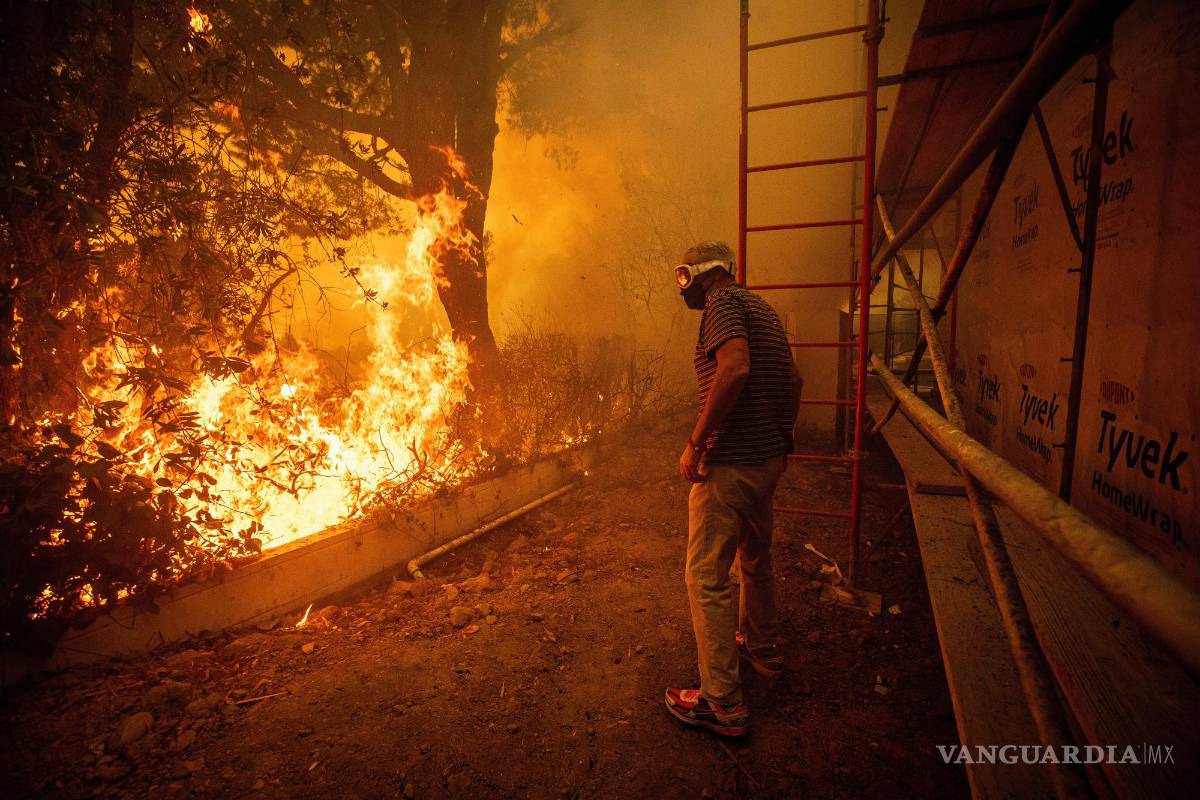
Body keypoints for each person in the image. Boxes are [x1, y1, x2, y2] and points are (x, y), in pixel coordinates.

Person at [663, 241, 803, 738]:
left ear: (698, 275)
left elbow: (735, 367)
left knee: (706, 576)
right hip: (766, 461)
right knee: (755, 558)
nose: (683, 287)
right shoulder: (760, 306)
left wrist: (696, 443)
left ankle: (721, 702)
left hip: (731, 465)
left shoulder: (722, 303)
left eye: (683, 277)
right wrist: (781, 437)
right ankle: (763, 650)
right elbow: (794, 376)